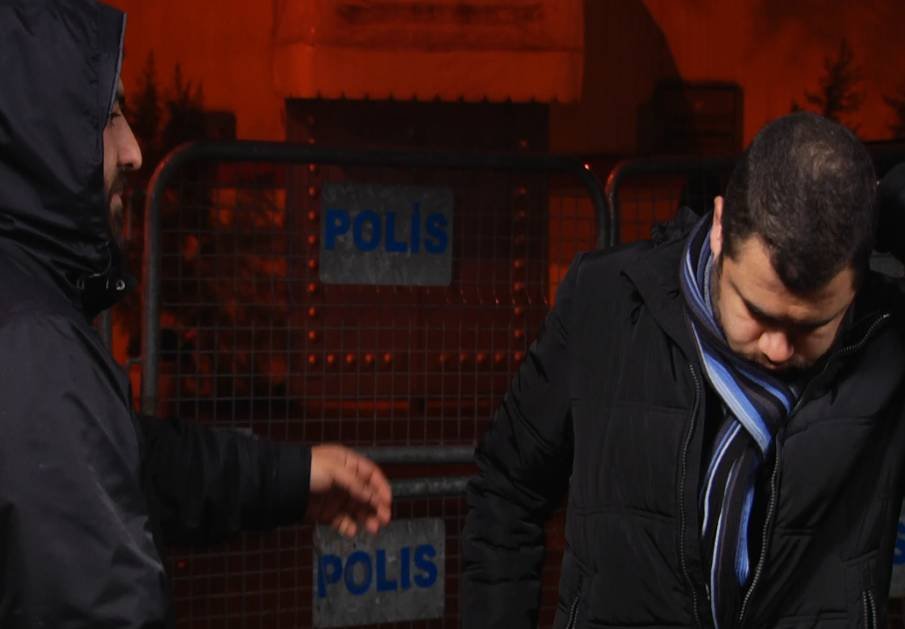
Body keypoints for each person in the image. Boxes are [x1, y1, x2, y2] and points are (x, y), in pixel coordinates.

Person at [0, 1, 391, 626]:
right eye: (107, 116)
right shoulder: (35, 345)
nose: (133, 151)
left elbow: (125, 460)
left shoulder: (26, 316)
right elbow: (97, 604)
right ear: (39, 136)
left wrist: (289, 475)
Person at [462, 111, 905, 628]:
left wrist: (886, 207)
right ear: (719, 227)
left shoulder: (887, 334)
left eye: (813, 325)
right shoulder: (604, 301)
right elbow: (507, 491)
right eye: (757, 313)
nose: (779, 349)